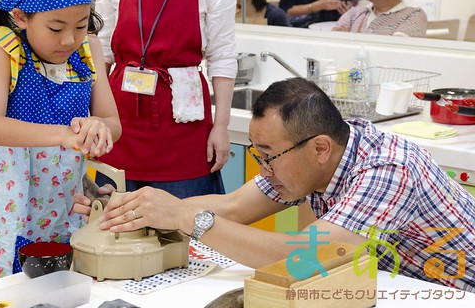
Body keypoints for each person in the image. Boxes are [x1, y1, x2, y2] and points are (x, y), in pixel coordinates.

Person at [94, 77, 475, 292]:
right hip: (394, 286)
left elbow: (301, 257)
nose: (263, 166)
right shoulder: (311, 157)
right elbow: (234, 207)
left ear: (319, 148)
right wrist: (142, 205)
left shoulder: (388, 171)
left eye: (267, 155)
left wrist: (186, 217)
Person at [0, 0, 122, 286]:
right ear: (21, 16)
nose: (69, 39)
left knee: (61, 285)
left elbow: (112, 122)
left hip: (66, 199)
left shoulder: (87, 49)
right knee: (7, 287)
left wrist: (98, 128)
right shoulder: (6, 47)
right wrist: (63, 134)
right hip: (9, 201)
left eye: (80, 25)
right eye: (55, 27)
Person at [94, 0, 237, 198]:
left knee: (184, 226)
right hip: (121, 119)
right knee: (116, 226)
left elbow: (223, 57)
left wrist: (221, 126)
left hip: (184, 124)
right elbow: (101, 51)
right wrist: (96, 116)